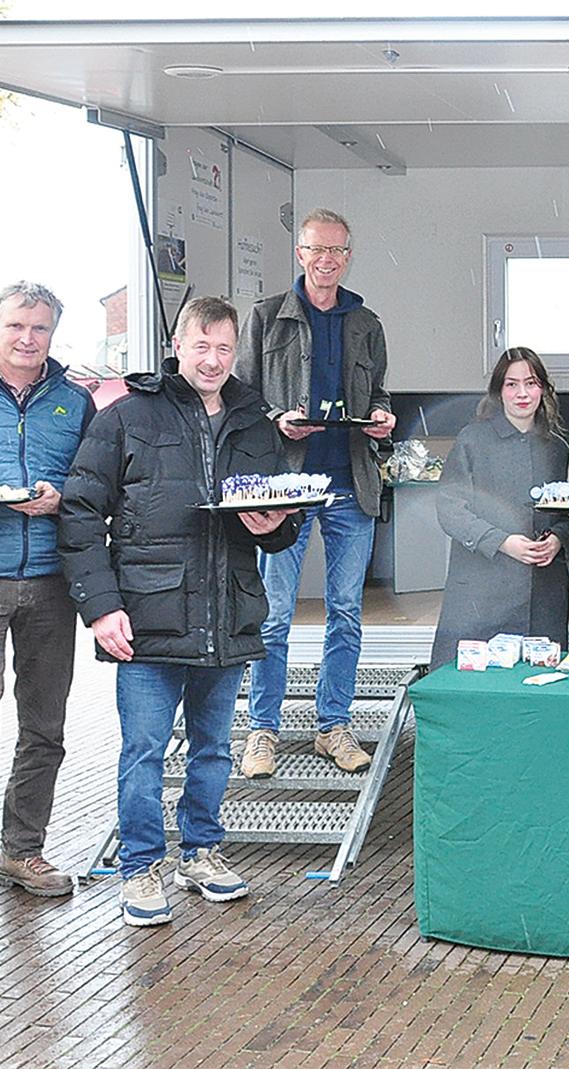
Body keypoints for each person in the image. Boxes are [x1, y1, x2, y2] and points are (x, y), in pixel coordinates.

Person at [59, 297, 300, 927]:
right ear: (177, 345)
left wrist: (275, 526)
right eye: (201, 346)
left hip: (227, 612)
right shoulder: (128, 415)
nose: (213, 360)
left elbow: (279, 521)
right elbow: (80, 512)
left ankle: (201, 853)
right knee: (143, 750)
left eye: (224, 348)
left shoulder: (255, 423)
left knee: (214, 748)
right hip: (148, 616)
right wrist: (101, 608)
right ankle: (140, 866)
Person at [235, 208, 395, 779]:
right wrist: (276, 419)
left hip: (350, 481)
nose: (327, 260)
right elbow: (241, 398)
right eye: (317, 249)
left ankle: (334, 726)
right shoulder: (265, 318)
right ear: (300, 253)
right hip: (287, 486)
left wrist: (381, 416)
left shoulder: (366, 322)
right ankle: (263, 730)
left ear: (348, 257)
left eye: (337, 250)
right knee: (275, 614)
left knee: (345, 613)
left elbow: (379, 391)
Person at [0, 282, 94, 898]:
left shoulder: (75, 401)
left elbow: (96, 482)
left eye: (39, 328)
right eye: (16, 325)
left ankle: (21, 850)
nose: (27, 338)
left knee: (43, 728)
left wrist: (65, 498)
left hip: (50, 583)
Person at [429, 349, 569, 670]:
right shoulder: (472, 440)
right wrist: (501, 541)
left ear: (543, 389)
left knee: (538, 679)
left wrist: (559, 539)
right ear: (499, 391)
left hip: (544, 591)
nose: (522, 393)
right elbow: (449, 508)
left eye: (531, 383)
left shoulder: (558, 447)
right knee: (476, 680)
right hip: (481, 587)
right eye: (512, 384)